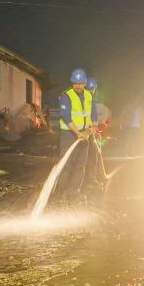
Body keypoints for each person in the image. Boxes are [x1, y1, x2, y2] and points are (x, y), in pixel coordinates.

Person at [53, 68, 98, 198]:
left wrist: (94, 126)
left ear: (85, 82)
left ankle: (74, 191)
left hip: (84, 134)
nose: (78, 86)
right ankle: (60, 191)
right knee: (67, 164)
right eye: (75, 83)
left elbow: (93, 112)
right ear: (72, 83)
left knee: (80, 164)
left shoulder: (89, 95)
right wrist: (77, 133)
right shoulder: (66, 96)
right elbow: (66, 116)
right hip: (69, 134)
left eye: (80, 83)